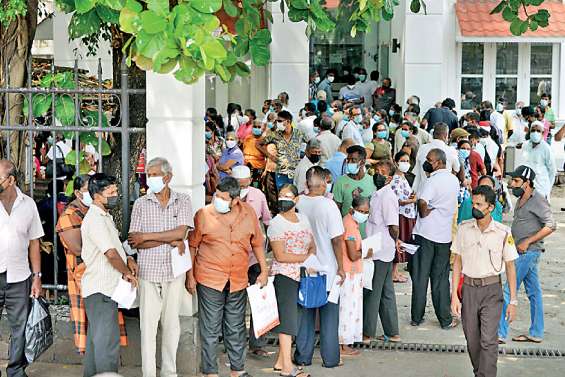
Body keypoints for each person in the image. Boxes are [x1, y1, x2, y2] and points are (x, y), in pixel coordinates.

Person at [187, 177, 268, 377]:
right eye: (217, 196)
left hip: (238, 279)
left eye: (223, 198)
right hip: (209, 279)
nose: (218, 200)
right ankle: (210, 372)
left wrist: (264, 270)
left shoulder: (248, 213)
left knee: (236, 327)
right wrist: (190, 275)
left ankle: (237, 370)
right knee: (211, 328)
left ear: (235, 200)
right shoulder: (204, 215)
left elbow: (257, 243)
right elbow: (192, 246)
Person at [127, 158, 194, 377]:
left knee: (171, 325)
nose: (150, 178)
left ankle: (169, 372)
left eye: (154, 174)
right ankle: (149, 373)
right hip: (148, 272)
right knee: (147, 327)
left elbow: (181, 233)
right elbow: (135, 241)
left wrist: (148, 236)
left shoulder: (182, 201)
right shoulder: (140, 204)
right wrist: (170, 239)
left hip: (173, 272)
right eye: (148, 174)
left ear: (167, 177)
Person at [451, 185, 518, 377]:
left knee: (488, 340)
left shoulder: (503, 232)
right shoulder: (464, 229)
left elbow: (511, 267)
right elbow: (457, 262)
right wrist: (454, 295)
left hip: (492, 291)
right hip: (469, 291)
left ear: (490, 207)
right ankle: (480, 372)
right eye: (473, 203)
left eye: (479, 204)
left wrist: (513, 300)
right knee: (472, 340)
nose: (475, 207)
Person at [56, 175, 128, 355]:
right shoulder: (70, 216)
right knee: (97, 335)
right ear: (78, 193)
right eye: (88, 191)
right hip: (83, 275)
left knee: (100, 334)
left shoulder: (99, 214)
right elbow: (80, 249)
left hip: (103, 274)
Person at [81, 173, 138, 377]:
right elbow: (110, 253)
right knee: (107, 344)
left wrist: (129, 259)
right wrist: (127, 273)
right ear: (97, 196)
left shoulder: (104, 217)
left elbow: (116, 249)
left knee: (98, 342)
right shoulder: (95, 219)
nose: (115, 195)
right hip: (100, 289)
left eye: (116, 191)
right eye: (110, 192)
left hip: (103, 289)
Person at [498, 166, 556, 344]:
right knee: (534, 292)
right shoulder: (521, 199)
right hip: (522, 251)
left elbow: (551, 225)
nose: (512, 184)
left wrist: (528, 241)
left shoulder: (537, 200)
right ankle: (536, 333)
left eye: (516, 181)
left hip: (528, 252)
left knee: (508, 290)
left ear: (527, 183)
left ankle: (500, 333)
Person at [294, 166, 345, 369]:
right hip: (328, 268)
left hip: (304, 267)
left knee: (305, 313)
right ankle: (331, 358)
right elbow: (337, 240)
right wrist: (341, 267)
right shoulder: (328, 206)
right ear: (324, 183)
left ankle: (303, 356)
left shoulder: (298, 203)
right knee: (329, 315)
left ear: (307, 184)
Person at [0, 160, 43, 377]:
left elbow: (35, 242)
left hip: (19, 276)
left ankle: (16, 371)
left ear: (11, 180)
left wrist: (37, 277)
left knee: (20, 329)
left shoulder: (28, 205)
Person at [410, 149, 460, 329]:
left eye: (429, 160)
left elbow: (422, 202)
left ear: (438, 162)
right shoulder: (454, 180)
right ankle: (445, 320)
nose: (426, 163)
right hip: (444, 236)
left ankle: (416, 317)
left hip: (425, 234)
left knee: (420, 277)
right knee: (440, 279)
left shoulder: (432, 181)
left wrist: (424, 212)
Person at [268, 184, 314, 377]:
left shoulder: (303, 218)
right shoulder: (276, 223)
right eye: (280, 196)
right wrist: (306, 258)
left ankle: (281, 361)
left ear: (297, 199)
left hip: (302, 274)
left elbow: (312, 244)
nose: (283, 199)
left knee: (295, 317)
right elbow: (280, 255)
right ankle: (287, 367)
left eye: (287, 196)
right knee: (287, 321)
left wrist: (310, 256)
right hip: (284, 275)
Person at [231, 166, 272, 357]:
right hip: (234, 257)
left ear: (249, 180)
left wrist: (267, 247)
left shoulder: (258, 195)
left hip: (255, 256)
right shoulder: (225, 196)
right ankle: (234, 341)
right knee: (235, 302)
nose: (241, 187)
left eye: (244, 183)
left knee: (258, 300)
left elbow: (267, 220)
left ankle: (258, 343)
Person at [363, 161, 401, 343]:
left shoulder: (387, 197)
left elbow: (393, 226)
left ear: (390, 178)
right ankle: (392, 331)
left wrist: (396, 241)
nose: (377, 174)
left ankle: (366, 333)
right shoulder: (377, 195)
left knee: (372, 292)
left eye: (382, 172)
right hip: (375, 246)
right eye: (376, 171)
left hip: (380, 249)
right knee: (386, 291)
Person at [339, 195, 370, 355]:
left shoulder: (353, 223)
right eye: (361, 211)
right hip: (349, 272)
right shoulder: (349, 226)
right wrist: (367, 251)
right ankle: (343, 344)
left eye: (366, 211)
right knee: (347, 309)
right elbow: (352, 254)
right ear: (352, 209)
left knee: (351, 308)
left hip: (353, 271)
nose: (364, 214)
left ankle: (346, 342)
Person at [258, 110, 308, 190]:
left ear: (288, 121)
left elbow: (310, 143)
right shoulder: (275, 135)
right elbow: (258, 144)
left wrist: (305, 157)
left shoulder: (299, 134)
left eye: (280, 121)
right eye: (277, 121)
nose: (277, 123)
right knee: (282, 195)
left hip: (296, 172)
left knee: (295, 195)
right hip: (281, 172)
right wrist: (271, 156)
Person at [390, 152, 417, 283]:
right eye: (402, 160)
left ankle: (395, 272)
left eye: (407, 161)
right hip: (401, 214)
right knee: (398, 243)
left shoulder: (403, 178)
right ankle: (393, 273)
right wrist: (413, 201)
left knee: (403, 243)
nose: (405, 163)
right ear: (396, 162)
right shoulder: (395, 180)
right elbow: (398, 200)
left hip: (407, 213)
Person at [412, 123, 461, 195]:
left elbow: (417, 173)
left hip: (423, 192)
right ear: (446, 135)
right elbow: (456, 169)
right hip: (442, 193)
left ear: (433, 134)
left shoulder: (422, 148)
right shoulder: (451, 150)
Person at [333, 145, 376, 225]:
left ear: (362, 162)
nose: (349, 163)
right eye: (348, 160)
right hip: (347, 231)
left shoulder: (371, 180)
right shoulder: (340, 182)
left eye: (353, 160)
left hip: (367, 231)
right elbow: (336, 210)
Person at [521, 121, 557, 201]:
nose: (535, 133)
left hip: (541, 186)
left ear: (542, 133)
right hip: (527, 185)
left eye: (538, 131)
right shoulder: (526, 145)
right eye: (533, 130)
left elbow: (552, 170)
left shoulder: (546, 148)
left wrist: (547, 187)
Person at [242, 120, 267, 186]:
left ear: (262, 128)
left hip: (258, 168)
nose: (256, 128)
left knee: (256, 185)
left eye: (259, 127)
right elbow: (244, 150)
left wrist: (265, 170)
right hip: (247, 167)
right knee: (246, 185)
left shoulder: (264, 140)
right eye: (255, 126)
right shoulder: (247, 138)